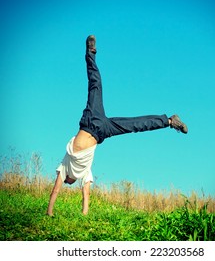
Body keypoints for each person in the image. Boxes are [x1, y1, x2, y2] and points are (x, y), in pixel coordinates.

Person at [46, 35, 188, 216]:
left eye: (67, 182)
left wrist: (49, 212)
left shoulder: (64, 166)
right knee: (135, 125)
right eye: (69, 183)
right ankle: (169, 121)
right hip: (101, 132)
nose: (68, 183)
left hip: (90, 121)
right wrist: (84, 216)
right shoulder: (85, 174)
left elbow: (55, 191)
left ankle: (90, 52)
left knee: (95, 84)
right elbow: (86, 196)